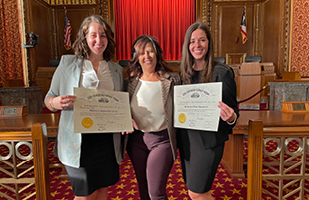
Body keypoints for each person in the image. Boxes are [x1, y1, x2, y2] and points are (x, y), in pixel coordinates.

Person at [44, 15, 124, 200]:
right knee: (84, 195)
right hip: (78, 141)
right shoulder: (67, 64)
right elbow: (48, 98)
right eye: (93, 35)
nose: (98, 40)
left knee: (103, 190)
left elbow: (120, 103)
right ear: (85, 38)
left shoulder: (116, 69)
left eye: (103, 35)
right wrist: (55, 103)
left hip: (106, 141)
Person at [177, 22, 239, 200]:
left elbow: (233, 110)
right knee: (198, 191)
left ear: (209, 43)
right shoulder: (183, 74)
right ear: (187, 46)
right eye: (192, 41)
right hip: (188, 141)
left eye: (202, 40)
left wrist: (231, 117)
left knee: (196, 193)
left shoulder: (222, 73)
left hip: (209, 143)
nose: (197, 45)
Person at [124, 35, 181, 200]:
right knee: (143, 186)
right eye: (142, 52)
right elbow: (122, 108)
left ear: (157, 54)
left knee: (156, 192)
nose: (146, 56)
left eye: (150, 51)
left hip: (162, 140)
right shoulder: (130, 82)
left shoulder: (172, 80)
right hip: (137, 141)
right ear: (136, 57)